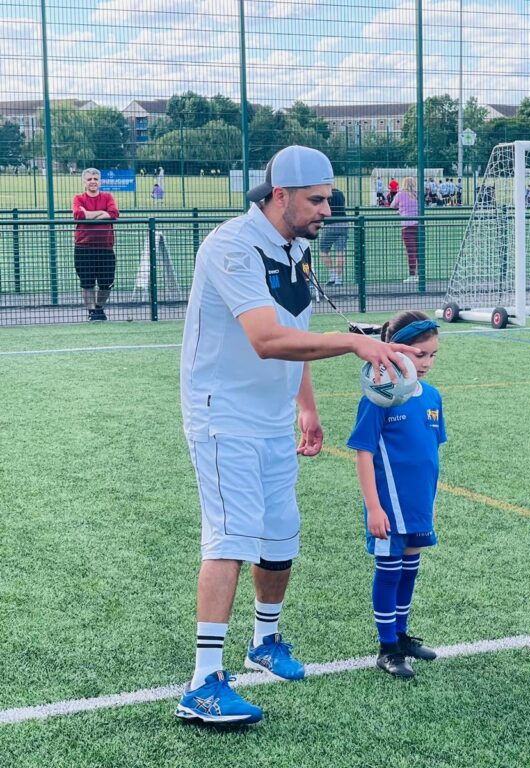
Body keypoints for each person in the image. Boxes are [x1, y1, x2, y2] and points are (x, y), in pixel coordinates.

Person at [175, 145, 417, 725]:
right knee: (231, 537)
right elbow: (267, 339)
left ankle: (264, 642)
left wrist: (306, 407)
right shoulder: (232, 246)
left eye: (329, 198)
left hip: (272, 415)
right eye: (316, 200)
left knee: (280, 531)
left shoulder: (298, 248)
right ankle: (203, 683)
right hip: (222, 414)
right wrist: (354, 341)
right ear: (279, 195)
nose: (327, 209)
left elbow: (295, 333)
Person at [347, 311, 445, 678]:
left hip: (418, 506)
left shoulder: (432, 396)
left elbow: (431, 455)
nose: (427, 363)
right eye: (420, 355)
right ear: (396, 351)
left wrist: (430, 503)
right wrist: (373, 507)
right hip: (389, 508)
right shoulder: (380, 397)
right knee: (389, 573)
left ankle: (401, 636)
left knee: (409, 572)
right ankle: (387, 647)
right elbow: (363, 453)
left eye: (432, 355)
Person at [72, 167, 120, 322]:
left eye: (95, 179)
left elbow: (114, 213)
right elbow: (79, 215)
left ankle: (99, 308)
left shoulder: (107, 197)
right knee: (87, 282)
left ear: (100, 181)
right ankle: (92, 312)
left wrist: (89, 215)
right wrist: (102, 213)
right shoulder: (78, 198)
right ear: (84, 182)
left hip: (105, 247)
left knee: (107, 282)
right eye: (89, 179)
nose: (92, 182)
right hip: (83, 247)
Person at [391, 176, 420, 283]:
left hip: (407, 226)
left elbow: (392, 205)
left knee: (411, 252)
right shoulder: (418, 194)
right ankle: (421, 274)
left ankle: (412, 275)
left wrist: (400, 209)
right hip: (419, 225)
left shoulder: (400, 194)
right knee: (419, 250)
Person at [319, 187, 348, 285]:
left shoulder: (324, 194)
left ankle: (332, 275)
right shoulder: (339, 193)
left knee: (323, 250)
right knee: (340, 252)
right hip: (343, 223)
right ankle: (338, 279)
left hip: (330, 224)